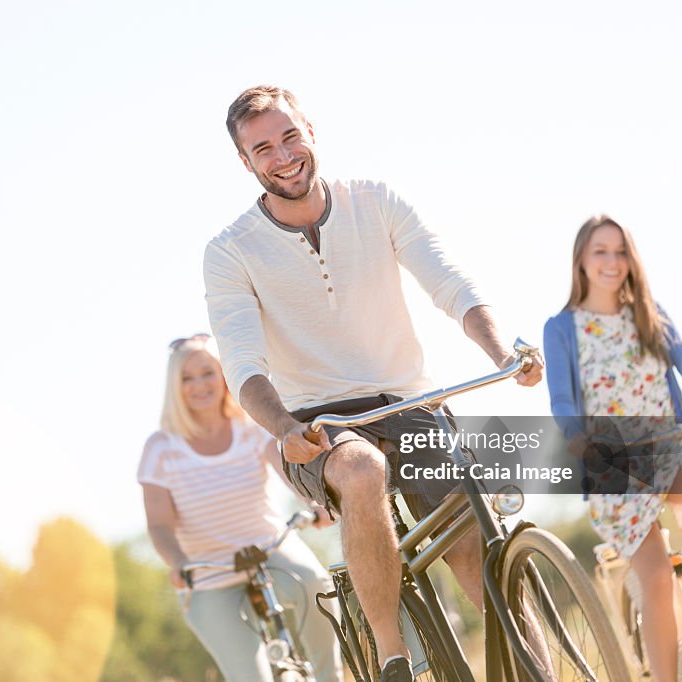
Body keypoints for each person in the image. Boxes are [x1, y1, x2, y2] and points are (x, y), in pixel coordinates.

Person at [203, 85, 543, 682]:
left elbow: (449, 283)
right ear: (245, 162)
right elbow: (243, 363)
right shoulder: (231, 251)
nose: (283, 156)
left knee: (472, 541)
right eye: (263, 148)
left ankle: (538, 668)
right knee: (362, 472)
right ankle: (393, 655)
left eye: (290, 137)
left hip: (410, 401)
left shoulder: (375, 201)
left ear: (310, 131)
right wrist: (285, 429)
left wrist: (500, 350)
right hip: (319, 424)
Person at [543, 214, 682, 682]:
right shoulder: (561, 329)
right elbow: (561, 398)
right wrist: (577, 436)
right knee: (657, 580)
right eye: (600, 250)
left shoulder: (648, 313)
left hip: (668, 444)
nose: (611, 261)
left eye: (620, 251)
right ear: (580, 260)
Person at [138, 333, 343, 682]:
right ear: (176, 387)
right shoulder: (161, 447)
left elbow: (289, 473)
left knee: (315, 586)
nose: (199, 385)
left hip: (270, 548)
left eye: (208, 373)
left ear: (223, 375)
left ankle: (331, 677)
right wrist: (178, 562)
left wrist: (314, 503)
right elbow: (158, 525)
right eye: (187, 378)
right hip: (208, 575)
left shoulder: (249, 429)